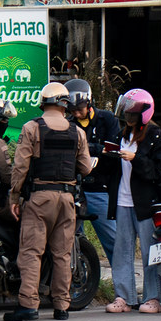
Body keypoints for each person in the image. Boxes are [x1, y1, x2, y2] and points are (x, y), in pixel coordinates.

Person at [5, 82, 94, 321]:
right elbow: (85, 168)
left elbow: (20, 167)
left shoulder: (31, 128)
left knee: (32, 252)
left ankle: (28, 306)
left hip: (39, 198)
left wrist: (14, 196)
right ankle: (62, 306)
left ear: (43, 103)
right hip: (66, 199)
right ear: (65, 105)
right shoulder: (78, 132)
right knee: (62, 254)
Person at [104, 88, 161, 314]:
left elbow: (157, 171)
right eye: (126, 111)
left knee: (150, 251)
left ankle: (153, 297)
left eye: (131, 112)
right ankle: (124, 296)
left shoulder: (155, 136)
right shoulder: (122, 135)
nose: (127, 116)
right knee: (121, 250)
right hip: (122, 200)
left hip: (145, 202)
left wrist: (135, 158)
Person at [64, 78, 120, 264]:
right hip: (75, 187)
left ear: (89, 103)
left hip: (100, 188)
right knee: (71, 241)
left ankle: (123, 287)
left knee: (112, 239)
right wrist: (96, 149)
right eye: (72, 111)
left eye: (79, 108)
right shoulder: (68, 123)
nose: (76, 113)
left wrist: (88, 148)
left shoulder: (108, 119)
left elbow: (113, 149)